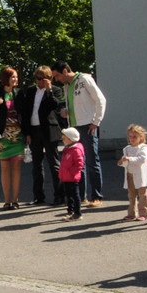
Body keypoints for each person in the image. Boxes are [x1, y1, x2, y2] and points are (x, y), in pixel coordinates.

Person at [52, 61, 107, 207]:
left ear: (65, 71)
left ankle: (97, 196)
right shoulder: (67, 86)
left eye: (57, 75)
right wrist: (67, 113)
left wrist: (96, 121)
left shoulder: (84, 79)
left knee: (91, 161)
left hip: (87, 126)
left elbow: (100, 100)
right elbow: (78, 105)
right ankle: (81, 196)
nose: (56, 79)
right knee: (78, 164)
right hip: (74, 128)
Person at [0, 67, 29, 210]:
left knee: (16, 168)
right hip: (2, 136)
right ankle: (6, 201)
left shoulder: (20, 93)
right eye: (13, 77)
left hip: (18, 135)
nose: (15, 79)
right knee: (4, 168)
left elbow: (26, 115)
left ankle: (15, 200)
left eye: (16, 77)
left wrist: (28, 134)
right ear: (6, 78)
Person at [22, 66, 63, 205]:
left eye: (42, 79)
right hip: (34, 130)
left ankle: (59, 195)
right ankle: (38, 196)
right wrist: (27, 132)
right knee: (37, 165)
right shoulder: (30, 90)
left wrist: (49, 89)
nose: (39, 81)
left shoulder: (56, 90)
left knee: (54, 163)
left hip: (49, 130)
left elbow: (54, 105)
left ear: (49, 78)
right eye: (37, 78)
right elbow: (26, 112)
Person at [118, 124, 147, 221]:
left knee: (142, 194)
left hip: (140, 174)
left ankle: (144, 212)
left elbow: (143, 158)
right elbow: (125, 161)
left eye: (134, 137)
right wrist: (122, 162)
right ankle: (132, 213)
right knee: (131, 194)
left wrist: (130, 159)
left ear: (141, 136)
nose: (132, 139)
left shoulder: (143, 147)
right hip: (130, 173)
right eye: (130, 136)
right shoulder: (127, 148)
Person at [59, 127, 86, 221]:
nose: (62, 141)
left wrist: (71, 173)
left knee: (75, 195)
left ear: (70, 139)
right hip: (67, 177)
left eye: (64, 139)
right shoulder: (68, 149)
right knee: (69, 196)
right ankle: (70, 212)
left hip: (72, 177)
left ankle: (77, 213)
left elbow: (79, 164)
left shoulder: (75, 150)